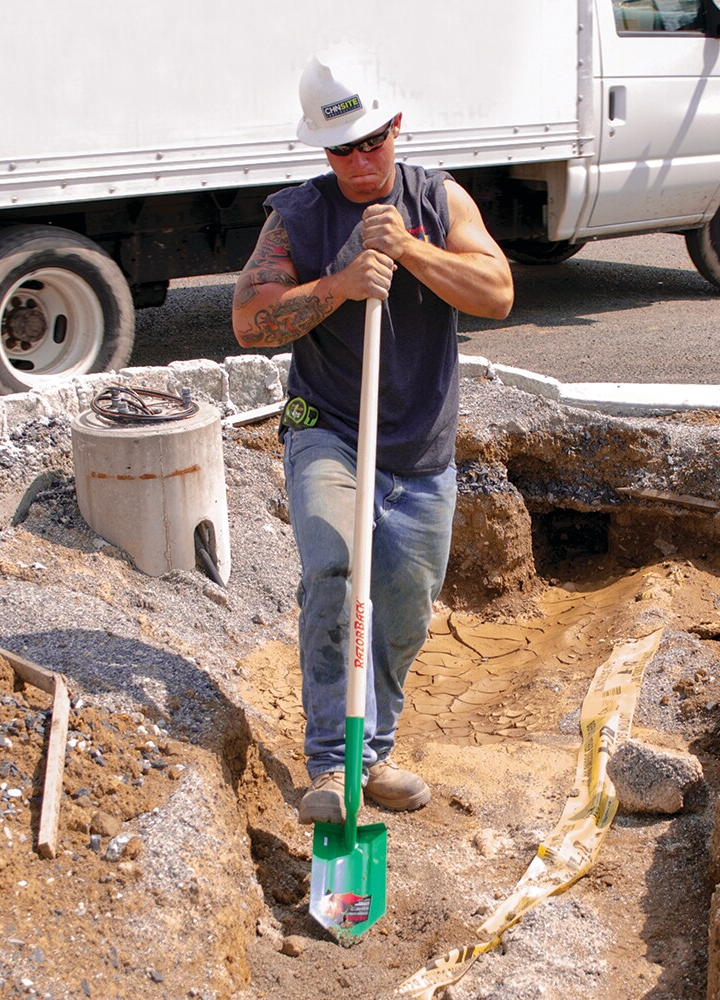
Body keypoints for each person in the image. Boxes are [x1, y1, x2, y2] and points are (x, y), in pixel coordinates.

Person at [231, 54, 513, 824]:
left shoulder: (437, 197)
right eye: (340, 149)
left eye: (371, 143)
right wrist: (338, 283)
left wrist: (412, 251)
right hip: (325, 424)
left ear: (395, 129)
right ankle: (330, 763)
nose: (358, 162)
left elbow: (498, 293)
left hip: (421, 442)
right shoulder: (296, 216)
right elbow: (250, 320)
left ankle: (374, 749)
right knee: (334, 565)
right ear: (321, 152)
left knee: (403, 601)